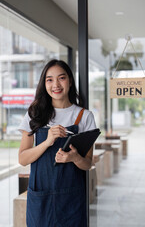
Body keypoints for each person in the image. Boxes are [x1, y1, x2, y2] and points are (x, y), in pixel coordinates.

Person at [18, 59, 96, 227]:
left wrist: (75, 158)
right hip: (41, 200)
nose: (56, 84)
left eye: (61, 78)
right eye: (50, 79)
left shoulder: (84, 116)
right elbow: (23, 159)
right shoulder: (34, 114)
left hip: (72, 200)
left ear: (69, 80)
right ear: (44, 83)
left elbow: (88, 163)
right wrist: (46, 142)